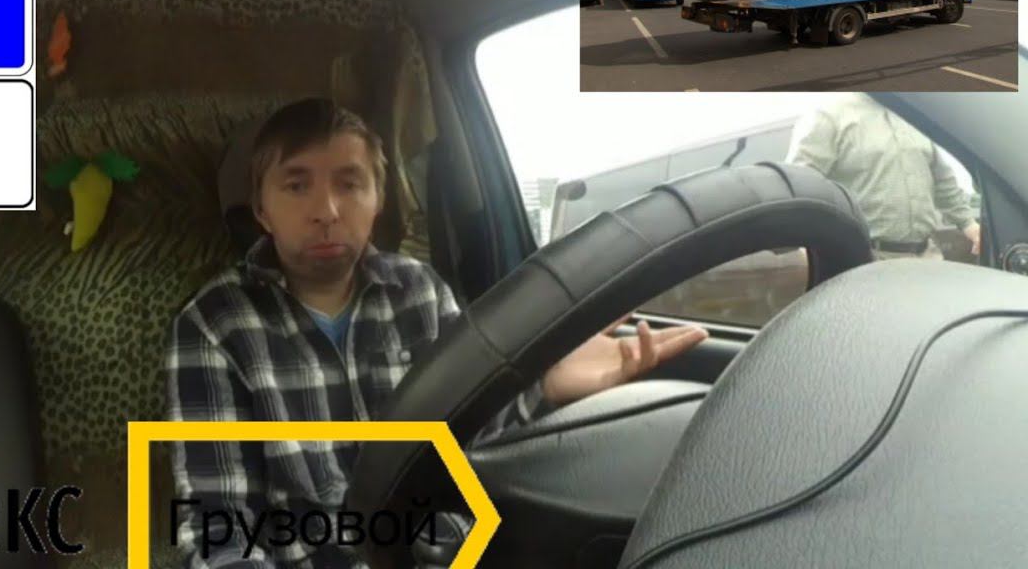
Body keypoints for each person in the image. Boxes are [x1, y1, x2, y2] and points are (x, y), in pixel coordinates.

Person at [166, 98, 707, 568]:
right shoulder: (214, 325)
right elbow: (218, 527)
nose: (326, 210)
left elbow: (471, 438)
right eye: (297, 185)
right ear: (262, 210)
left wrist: (545, 383)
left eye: (349, 184)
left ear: (378, 199)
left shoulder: (419, 292)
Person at [786, 93, 980, 261]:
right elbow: (801, 188)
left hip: (927, 257)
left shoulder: (916, 116)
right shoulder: (828, 116)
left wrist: (969, 225)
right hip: (865, 261)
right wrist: (806, 240)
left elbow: (943, 182)